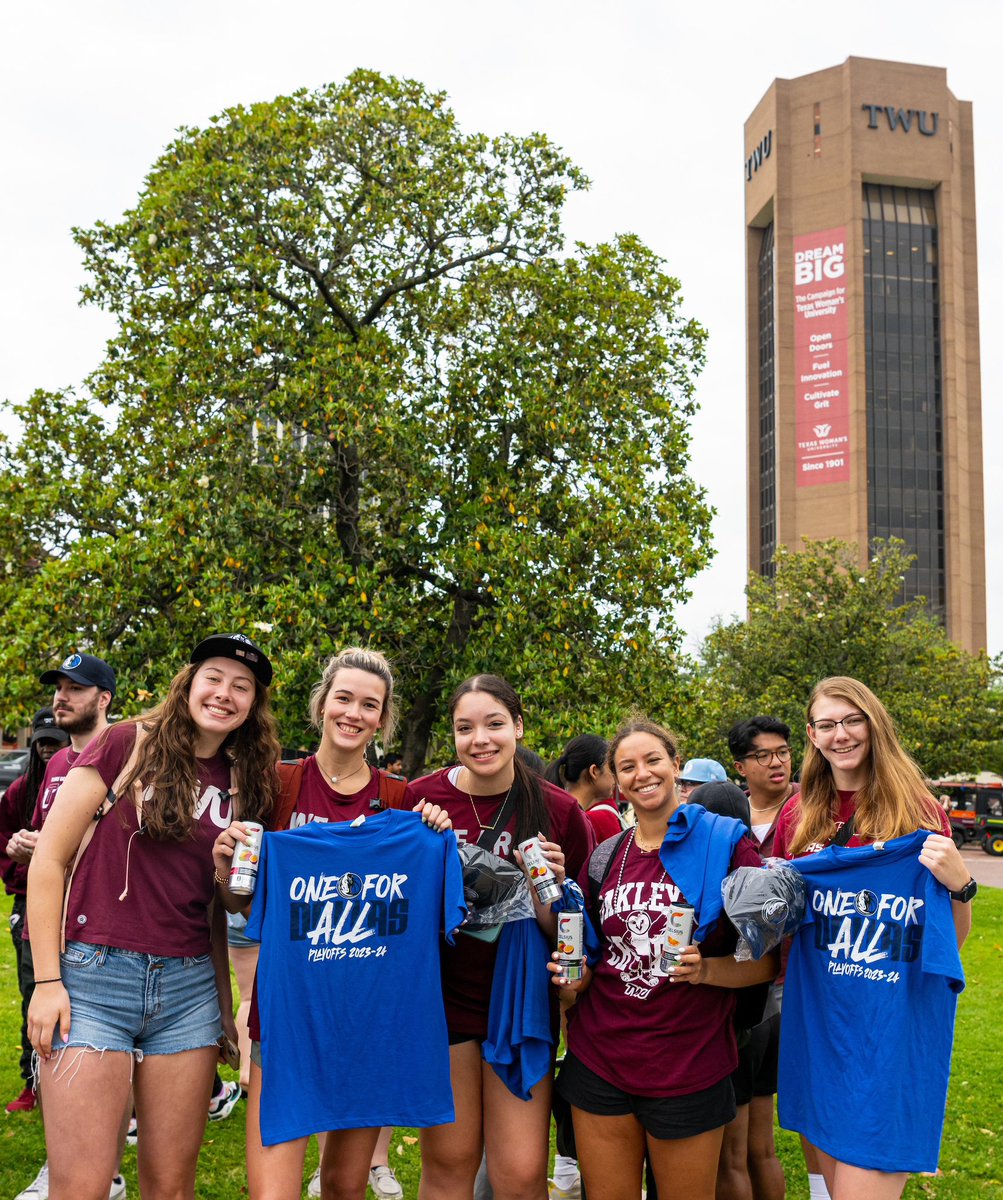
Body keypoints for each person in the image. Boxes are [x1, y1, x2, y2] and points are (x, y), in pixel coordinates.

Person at [26, 633, 279, 1200]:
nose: (224, 694)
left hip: (187, 990)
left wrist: (221, 999)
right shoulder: (125, 744)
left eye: (242, 687)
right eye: (213, 678)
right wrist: (46, 982)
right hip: (93, 978)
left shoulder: (246, 780)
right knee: (83, 1186)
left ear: (253, 706)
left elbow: (229, 905)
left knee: (170, 1187)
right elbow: (49, 861)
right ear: (188, 683)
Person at [212, 646, 448, 1200]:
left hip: (366, 1020)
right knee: (274, 1191)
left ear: (382, 719)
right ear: (322, 705)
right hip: (289, 1015)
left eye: (370, 705)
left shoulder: (398, 800)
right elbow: (242, 905)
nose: (354, 713)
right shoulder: (275, 783)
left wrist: (432, 829)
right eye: (344, 698)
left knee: (344, 1185)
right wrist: (228, 869)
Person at [550, 718, 777, 1200]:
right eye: (627, 766)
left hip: (689, 1064)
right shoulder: (605, 857)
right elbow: (594, 965)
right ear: (614, 778)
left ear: (675, 764)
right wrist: (571, 979)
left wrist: (707, 969)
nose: (642, 774)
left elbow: (767, 962)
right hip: (601, 1061)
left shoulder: (728, 843)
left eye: (653, 760)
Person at [772, 677, 974, 1200]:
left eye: (852, 720)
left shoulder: (918, 811)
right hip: (820, 1022)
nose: (841, 734)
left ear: (873, 723)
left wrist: (963, 886)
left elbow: (950, 940)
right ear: (812, 736)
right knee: (833, 1187)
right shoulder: (798, 815)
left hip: (888, 1027)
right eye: (826, 724)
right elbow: (776, 924)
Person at [409, 674, 594, 1200]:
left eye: (494, 724)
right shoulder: (421, 801)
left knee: (519, 1173)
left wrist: (550, 893)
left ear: (517, 725)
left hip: (520, 1007)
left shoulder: (560, 811)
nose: (480, 739)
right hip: (442, 1002)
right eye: (465, 728)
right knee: (448, 1163)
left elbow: (575, 934)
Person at [14, 654, 122, 1200]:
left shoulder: (123, 760)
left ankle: (102, 1169)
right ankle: (66, 1167)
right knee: (52, 1050)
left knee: (89, 1054)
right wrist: (25, 844)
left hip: (98, 937)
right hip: (45, 927)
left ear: (104, 699)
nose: (62, 698)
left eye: (75, 689)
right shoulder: (56, 766)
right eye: (58, 688)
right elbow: (45, 844)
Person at [0, 709, 70, 1113]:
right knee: (34, 992)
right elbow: (4, 838)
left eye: (53, 741)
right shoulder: (22, 791)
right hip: (29, 900)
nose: (47, 748)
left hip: (75, 900)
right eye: (41, 741)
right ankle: (34, 1082)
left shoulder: (83, 780)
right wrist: (17, 864)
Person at [547, 734, 623, 843]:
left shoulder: (557, 814)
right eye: (611, 769)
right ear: (594, 771)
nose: (615, 776)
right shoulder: (599, 818)